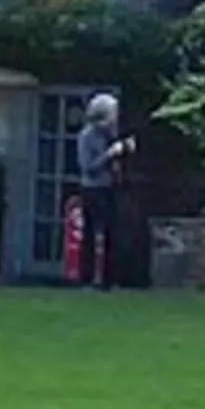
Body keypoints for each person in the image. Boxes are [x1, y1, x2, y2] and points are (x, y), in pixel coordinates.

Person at [75, 93, 133, 291]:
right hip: (92, 189)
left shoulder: (110, 133)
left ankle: (110, 279)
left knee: (112, 232)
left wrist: (125, 149)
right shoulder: (87, 136)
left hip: (109, 187)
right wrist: (109, 154)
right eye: (113, 112)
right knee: (90, 233)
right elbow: (88, 167)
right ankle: (86, 278)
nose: (116, 116)